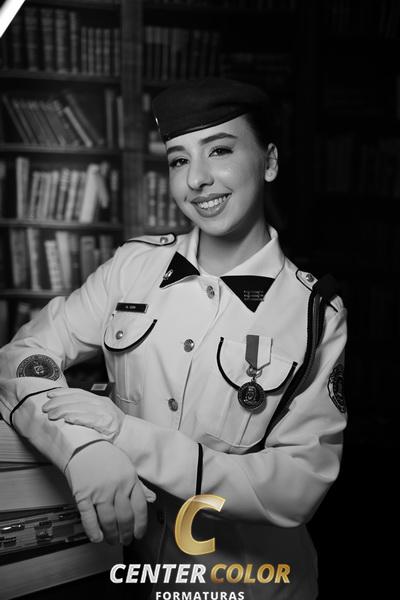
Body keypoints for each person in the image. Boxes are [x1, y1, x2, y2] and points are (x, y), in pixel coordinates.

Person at [0, 78, 347, 599]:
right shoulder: (132, 269)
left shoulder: (314, 312)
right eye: (179, 160)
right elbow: (22, 356)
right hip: (131, 574)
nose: (197, 180)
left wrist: (127, 438)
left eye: (220, 151)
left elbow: (295, 486)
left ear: (270, 162)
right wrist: (80, 448)